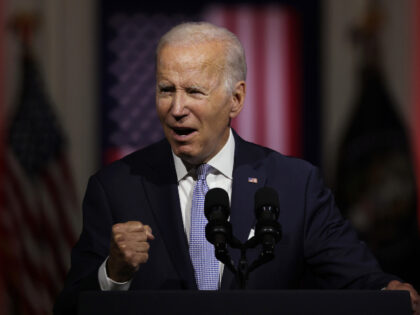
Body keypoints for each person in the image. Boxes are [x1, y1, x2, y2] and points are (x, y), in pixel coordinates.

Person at [54, 22, 419, 314]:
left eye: (194, 91)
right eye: (166, 89)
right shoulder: (116, 187)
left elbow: (358, 279)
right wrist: (113, 274)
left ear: (237, 99)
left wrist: (389, 291)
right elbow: (70, 307)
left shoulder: (295, 185)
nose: (176, 108)